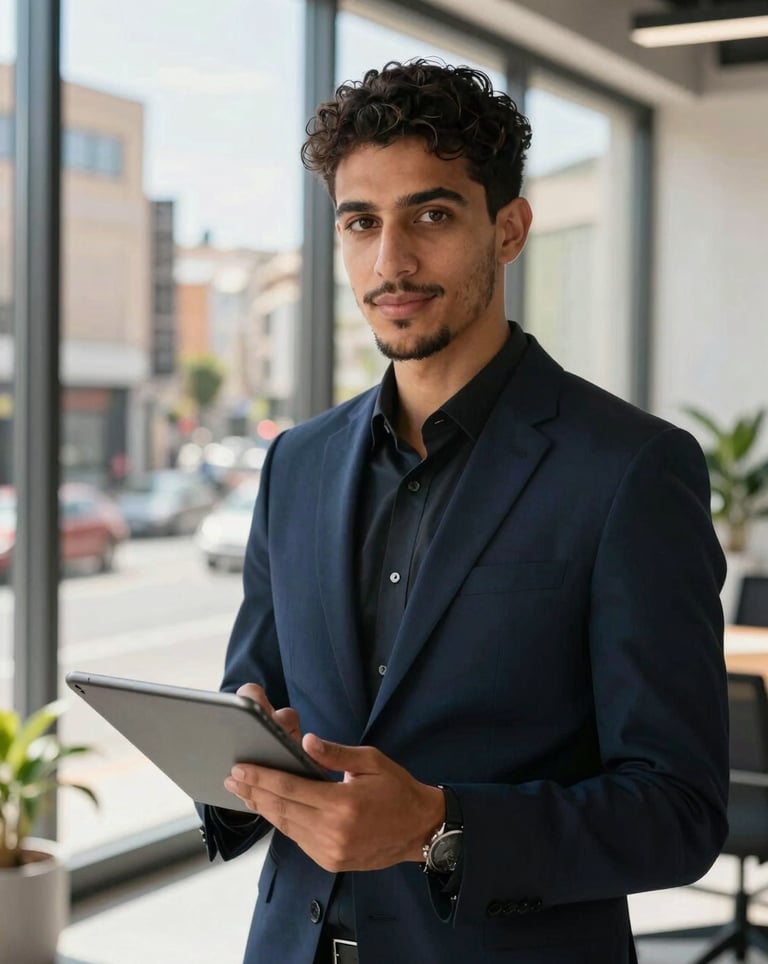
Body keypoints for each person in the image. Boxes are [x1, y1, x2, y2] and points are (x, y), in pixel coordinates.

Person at [199, 60, 728, 964]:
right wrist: (238, 752)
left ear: (510, 229)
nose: (390, 261)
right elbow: (257, 698)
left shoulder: (632, 470)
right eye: (361, 222)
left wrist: (434, 828)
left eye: (431, 216)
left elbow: (677, 812)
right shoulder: (296, 462)